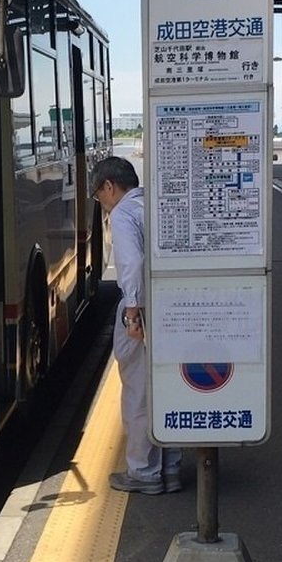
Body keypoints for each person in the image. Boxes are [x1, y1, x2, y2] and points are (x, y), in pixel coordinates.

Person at [89, 155, 182, 495]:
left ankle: (143, 472)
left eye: (99, 196)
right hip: (174, 310)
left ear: (110, 187)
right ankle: (170, 468)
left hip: (143, 312)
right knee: (169, 389)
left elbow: (132, 264)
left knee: (140, 395)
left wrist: (132, 313)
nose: (101, 203)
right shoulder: (157, 206)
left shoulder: (124, 214)